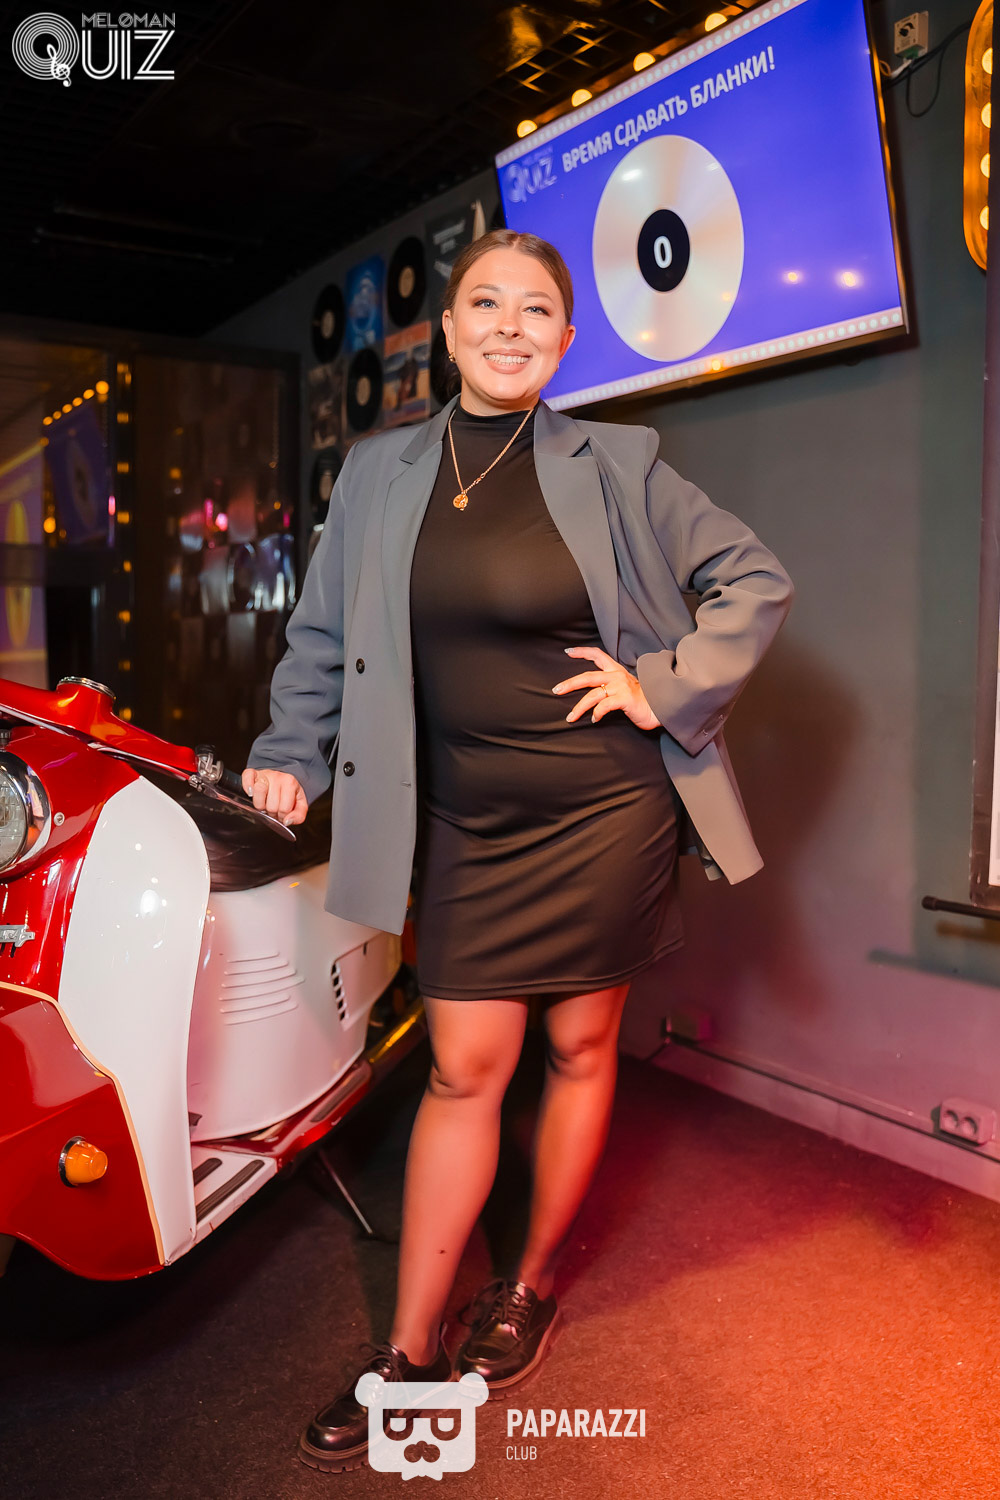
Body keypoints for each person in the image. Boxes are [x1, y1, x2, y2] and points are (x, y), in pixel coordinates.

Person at [243, 228, 794, 1474]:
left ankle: (527, 1287)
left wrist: (661, 685)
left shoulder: (618, 462)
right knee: (462, 1070)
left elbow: (752, 579)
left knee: (580, 1046)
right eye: (484, 303)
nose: (508, 325)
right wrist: (289, 749)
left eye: (535, 309)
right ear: (446, 331)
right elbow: (322, 637)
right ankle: (408, 1353)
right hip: (461, 819)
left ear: (565, 340)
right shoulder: (378, 472)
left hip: (602, 810)